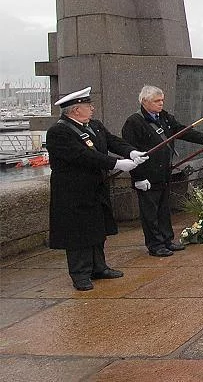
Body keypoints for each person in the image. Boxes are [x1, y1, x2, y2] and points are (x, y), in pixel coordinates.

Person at [46, 87, 148, 290]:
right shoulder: (59, 132)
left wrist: (132, 151)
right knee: (77, 234)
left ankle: (98, 267)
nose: (92, 108)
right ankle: (80, 274)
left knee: (96, 229)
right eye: (87, 106)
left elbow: (112, 141)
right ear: (75, 110)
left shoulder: (94, 125)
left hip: (95, 188)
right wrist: (116, 164)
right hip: (72, 192)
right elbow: (82, 156)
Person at [122, 85, 203, 257]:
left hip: (164, 172)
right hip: (147, 175)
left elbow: (182, 131)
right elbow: (130, 151)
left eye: (162, 100)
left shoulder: (164, 117)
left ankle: (167, 239)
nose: (161, 104)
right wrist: (138, 177)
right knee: (150, 212)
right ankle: (155, 244)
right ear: (145, 102)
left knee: (163, 209)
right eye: (156, 101)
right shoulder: (134, 122)